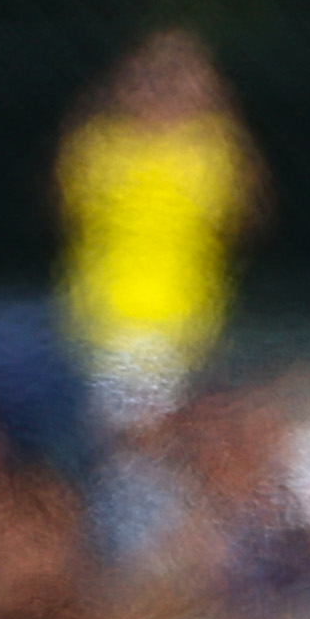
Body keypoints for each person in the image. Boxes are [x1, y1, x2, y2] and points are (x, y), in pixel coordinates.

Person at [57, 26, 262, 430]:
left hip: (188, 324)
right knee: (131, 437)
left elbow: (246, 216)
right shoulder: (102, 146)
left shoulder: (211, 148)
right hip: (109, 322)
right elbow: (66, 204)